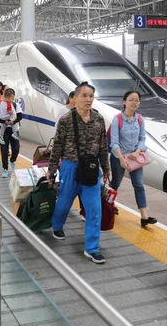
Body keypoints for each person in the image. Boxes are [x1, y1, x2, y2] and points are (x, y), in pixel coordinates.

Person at [47, 82, 110, 264]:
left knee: (94, 209)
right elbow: (57, 146)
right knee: (65, 201)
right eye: (84, 95)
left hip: (91, 169)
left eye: (91, 96)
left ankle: (92, 248)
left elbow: (103, 146)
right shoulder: (66, 120)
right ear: (75, 98)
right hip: (70, 167)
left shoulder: (99, 120)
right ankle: (57, 225)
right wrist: (52, 170)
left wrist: (105, 168)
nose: (88, 99)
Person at [109, 91, 156, 227]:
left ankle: (144, 217)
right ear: (124, 102)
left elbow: (142, 138)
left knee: (139, 185)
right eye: (131, 100)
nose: (134, 103)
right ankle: (109, 204)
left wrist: (138, 151)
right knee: (115, 184)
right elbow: (114, 142)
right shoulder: (117, 119)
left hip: (135, 157)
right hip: (119, 157)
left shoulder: (140, 119)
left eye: (137, 100)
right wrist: (121, 159)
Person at [0, 88, 22, 178]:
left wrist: (13, 121)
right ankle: (5, 168)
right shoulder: (1, 105)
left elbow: (20, 116)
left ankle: (12, 160)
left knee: (16, 148)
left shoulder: (16, 105)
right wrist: (5, 121)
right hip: (4, 130)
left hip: (14, 129)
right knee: (4, 150)